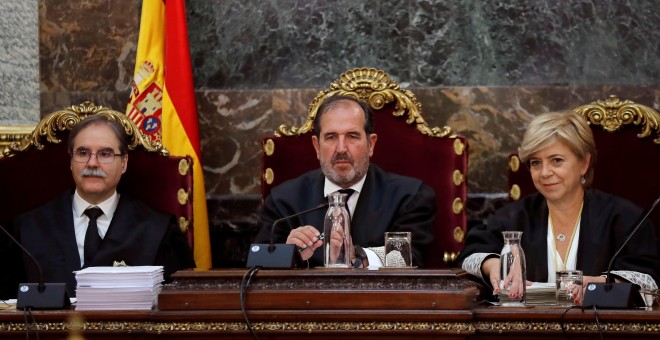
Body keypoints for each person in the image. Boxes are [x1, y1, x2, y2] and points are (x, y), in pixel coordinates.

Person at [457, 111, 660, 304]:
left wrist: (599, 284)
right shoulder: (514, 216)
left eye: (556, 160)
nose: (545, 172)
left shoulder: (625, 218)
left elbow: (648, 278)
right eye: (536, 163)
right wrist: (494, 264)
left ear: (584, 163)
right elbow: (469, 255)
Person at [3, 115, 195, 298]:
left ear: (124, 163)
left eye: (105, 154)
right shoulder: (28, 229)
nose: (92, 163)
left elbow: (180, 306)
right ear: (71, 162)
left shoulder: (158, 231)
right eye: (83, 153)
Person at [253, 95, 436, 268]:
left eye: (352, 136)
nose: (341, 148)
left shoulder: (409, 197)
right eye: (331, 137)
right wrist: (288, 254)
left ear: (371, 144)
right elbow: (258, 263)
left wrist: (358, 257)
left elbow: (414, 256)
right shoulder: (283, 201)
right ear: (316, 146)